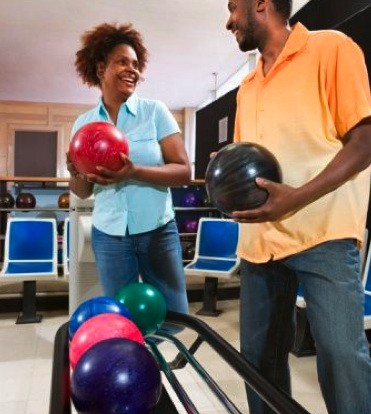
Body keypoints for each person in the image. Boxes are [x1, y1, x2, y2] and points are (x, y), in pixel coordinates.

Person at [224, 1, 371, 413]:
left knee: (343, 358)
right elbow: (246, 158)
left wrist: (297, 196)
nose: (229, 21)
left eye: (234, 8)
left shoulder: (332, 49)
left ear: (261, 5)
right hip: (259, 243)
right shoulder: (247, 86)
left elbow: (364, 141)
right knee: (258, 363)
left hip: (322, 232)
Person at [66, 22, 191, 331]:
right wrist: (76, 171)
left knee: (173, 316)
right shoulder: (83, 125)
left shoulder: (155, 112)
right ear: (100, 68)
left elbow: (184, 172)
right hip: (110, 236)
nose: (131, 69)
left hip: (158, 232)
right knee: (122, 318)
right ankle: (135, 374)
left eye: (135, 64)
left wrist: (134, 172)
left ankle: (163, 369)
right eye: (122, 61)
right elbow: (81, 191)